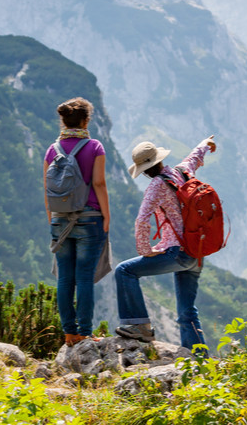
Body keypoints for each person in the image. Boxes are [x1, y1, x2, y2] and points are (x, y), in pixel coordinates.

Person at [115, 135, 217, 351]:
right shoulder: (181, 171)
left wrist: (146, 250)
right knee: (187, 312)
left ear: (143, 169)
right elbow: (193, 158)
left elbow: (142, 219)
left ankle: (139, 326)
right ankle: (198, 361)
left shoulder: (156, 185)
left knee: (124, 271)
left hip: (176, 253)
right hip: (195, 253)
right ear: (159, 159)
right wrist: (205, 144)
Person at [44, 97, 111, 347]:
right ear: (86, 120)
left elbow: (47, 188)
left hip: (59, 220)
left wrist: (53, 219)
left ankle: (69, 333)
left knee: (64, 278)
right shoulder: (94, 147)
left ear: (63, 121)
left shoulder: (52, 150)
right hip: (90, 219)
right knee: (84, 277)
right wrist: (106, 215)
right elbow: (99, 183)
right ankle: (84, 332)